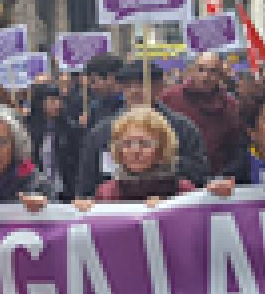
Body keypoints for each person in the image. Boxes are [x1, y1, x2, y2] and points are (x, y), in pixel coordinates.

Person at [73, 60, 210, 199]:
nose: (134, 91)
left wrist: (164, 162)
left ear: (159, 87)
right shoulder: (101, 132)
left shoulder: (183, 128)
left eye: (141, 84)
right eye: (128, 85)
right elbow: (87, 184)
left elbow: (199, 176)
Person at [74, 106, 195, 206]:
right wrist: (84, 213)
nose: (135, 151)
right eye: (127, 143)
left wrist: (168, 211)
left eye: (144, 144)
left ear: (161, 149)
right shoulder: (105, 194)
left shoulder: (183, 192)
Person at [158, 52, 243, 178]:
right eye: (201, 69)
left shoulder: (230, 105)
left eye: (212, 71)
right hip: (179, 178)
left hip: (218, 179)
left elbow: (236, 146)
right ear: (192, 70)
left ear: (221, 75)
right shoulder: (169, 98)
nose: (205, 76)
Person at [26, 81, 81, 199]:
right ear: (41, 103)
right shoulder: (28, 129)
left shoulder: (69, 128)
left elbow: (76, 161)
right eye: (52, 100)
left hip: (64, 189)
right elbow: (25, 162)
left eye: (59, 100)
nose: (57, 105)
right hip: (37, 189)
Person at [67, 52, 124, 131]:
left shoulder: (129, 103)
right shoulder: (96, 105)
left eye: (93, 81)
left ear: (110, 78)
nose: (92, 87)